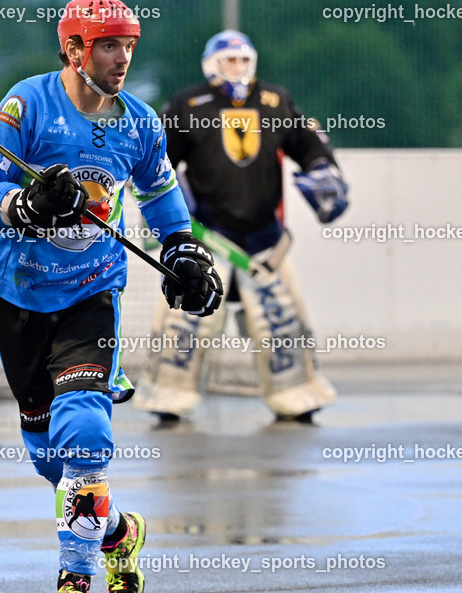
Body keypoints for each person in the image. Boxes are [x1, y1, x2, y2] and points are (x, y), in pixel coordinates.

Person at [0, 0, 223, 593]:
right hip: (18, 299)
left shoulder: (140, 124)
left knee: (84, 436)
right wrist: (24, 203)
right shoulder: (27, 105)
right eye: (108, 44)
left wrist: (184, 255)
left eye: (129, 45)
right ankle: (119, 531)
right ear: (73, 49)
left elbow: (163, 203)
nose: (122, 57)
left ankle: (72, 588)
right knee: (53, 461)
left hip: (93, 295)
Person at [134, 30, 349, 423]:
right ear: (211, 64)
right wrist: (164, 194)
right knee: (183, 325)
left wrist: (323, 169)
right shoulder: (187, 104)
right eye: (229, 61)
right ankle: (167, 397)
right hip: (207, 240)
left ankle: (297, 397)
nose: (238, 68)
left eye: (243, 60)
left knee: (283, 326)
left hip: (266, 241)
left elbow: (309, 143)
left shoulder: (276, 100)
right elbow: (156, 160)